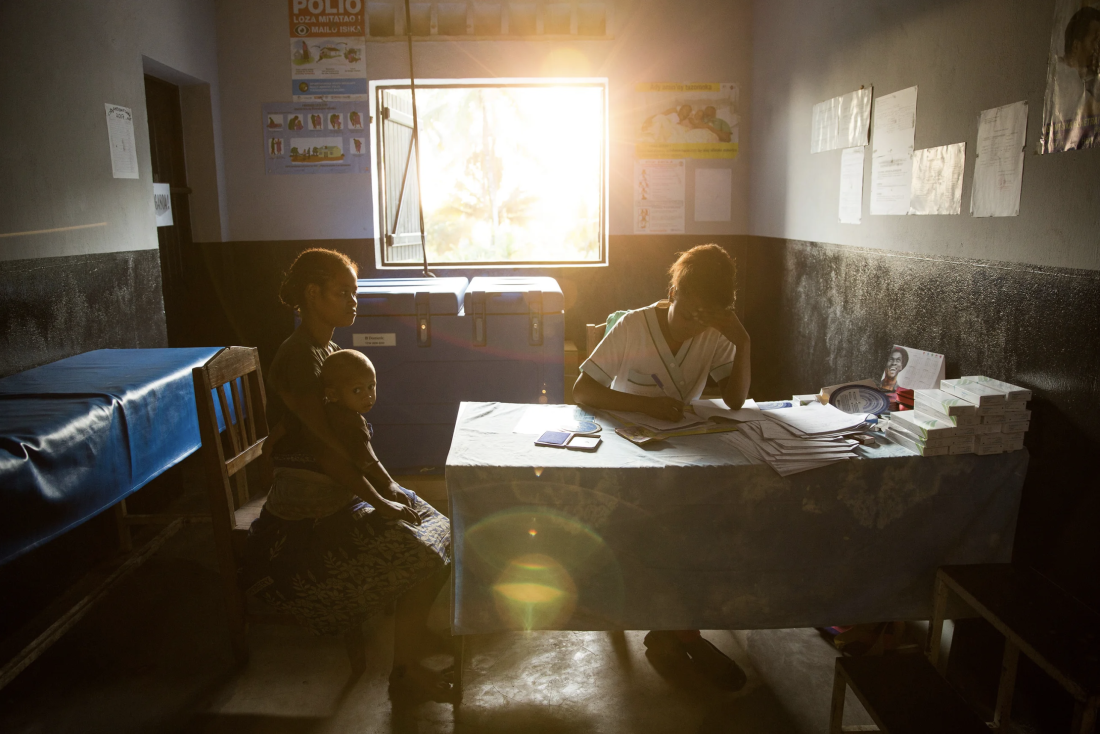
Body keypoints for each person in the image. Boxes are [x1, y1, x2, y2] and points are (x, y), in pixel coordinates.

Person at [242, 248, 455, 700]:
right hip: (307, 515)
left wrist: (391, 487)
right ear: (312, 294)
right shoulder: (300, 357)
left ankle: (411, 641)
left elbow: (354, 445)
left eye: (354, 293)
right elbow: (330, 452)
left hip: (339, 493)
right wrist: (382, 500)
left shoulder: (330, 352)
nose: (353, 301)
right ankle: (405, 673)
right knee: (424, 553)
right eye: (343, 292)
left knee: (442, 527)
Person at [572, 244, 750, 690]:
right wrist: (648, 403)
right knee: (663, 526)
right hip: (623, 454)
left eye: (708, 316)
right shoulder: (634, 326)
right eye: (689, 312)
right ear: (673, 292)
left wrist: (743, 340)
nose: (695, 325)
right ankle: (675, 631)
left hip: (677, 452)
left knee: (706, 519)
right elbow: (583, 392)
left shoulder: (713, 330)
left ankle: (676, 630)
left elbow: (734, 399)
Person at [1051, 7, 1100, 138]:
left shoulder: (1084, 76)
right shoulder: (1065, 78)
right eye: (1094, 40)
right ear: (1076, 46)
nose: (1097, 48)